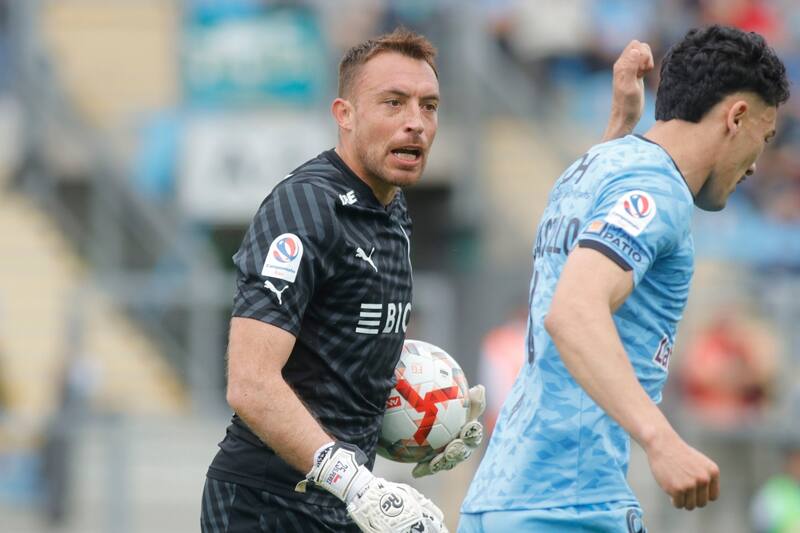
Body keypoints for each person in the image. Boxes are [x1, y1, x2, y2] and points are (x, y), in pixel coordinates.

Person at [201, 27, 650, 533]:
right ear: (344, 115)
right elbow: (251, 383)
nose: (415, 122)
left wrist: (431, 416)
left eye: (429, 106)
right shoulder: (305, 207)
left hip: (338, 499)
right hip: (265, 504)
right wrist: (357, 484)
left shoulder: (392, 209)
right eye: (393, 103)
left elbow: (336, 360)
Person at [460, 25, 790, 533]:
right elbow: (573, 312)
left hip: (503, 495)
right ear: (736, 116)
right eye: (763, 139)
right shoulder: (659, 191)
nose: (754, 166)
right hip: (568, 505)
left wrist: (618, 124)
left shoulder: (593, 166)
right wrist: (662, 440)